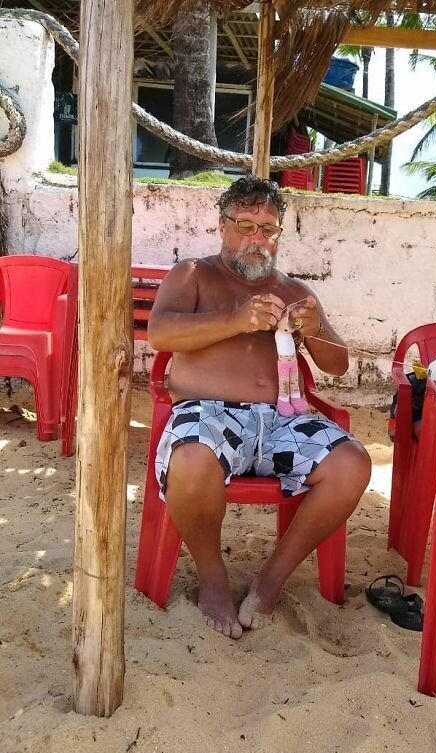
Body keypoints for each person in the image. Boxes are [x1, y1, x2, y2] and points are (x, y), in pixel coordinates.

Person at [148, 175, 371, 639]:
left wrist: (313, 329)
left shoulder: (294, 291)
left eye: (267, 229)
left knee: (352, 465)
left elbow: (336, 364)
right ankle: (213, 576)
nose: (256, 238)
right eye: (245, 225)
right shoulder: (193, 273)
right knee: (190, 461)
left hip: (282, 420)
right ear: (223, 226)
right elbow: (161, 334)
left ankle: (271, 580)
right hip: (205, 414)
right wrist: (235, 319)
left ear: (279, 235)